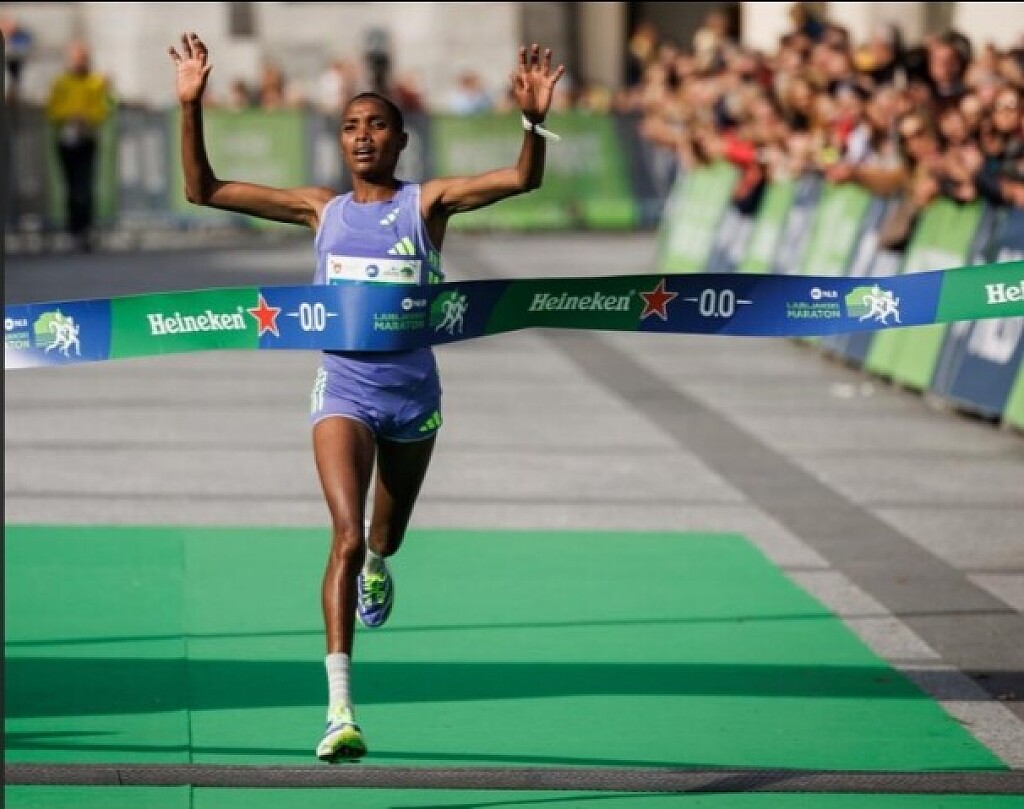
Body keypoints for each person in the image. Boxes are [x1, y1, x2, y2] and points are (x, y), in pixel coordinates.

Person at [167, 30, 564, 762]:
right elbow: (204, 190)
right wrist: (190, 106)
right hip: (342, 389)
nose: (362, 136)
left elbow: (520, 179)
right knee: (345, 535)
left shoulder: (427, 204)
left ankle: (381, 564)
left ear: (401, 140)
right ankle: (339, 709)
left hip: (412, 397)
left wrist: (533, 122)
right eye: (351, 125)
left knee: (384, 537)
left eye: (377, 125)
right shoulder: (321, 210)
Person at [46, 39, 111, 251]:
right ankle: (73, 229)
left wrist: (87, 118)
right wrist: (70, 116)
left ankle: (86, 229)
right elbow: (52, 110)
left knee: (85, 186)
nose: (79, 63)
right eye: (75, 59)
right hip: (66, 140)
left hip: (87, 139)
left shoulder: (96, 82)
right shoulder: (60, 82)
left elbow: (104, 107)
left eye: (82, 59)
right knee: (71, 186)